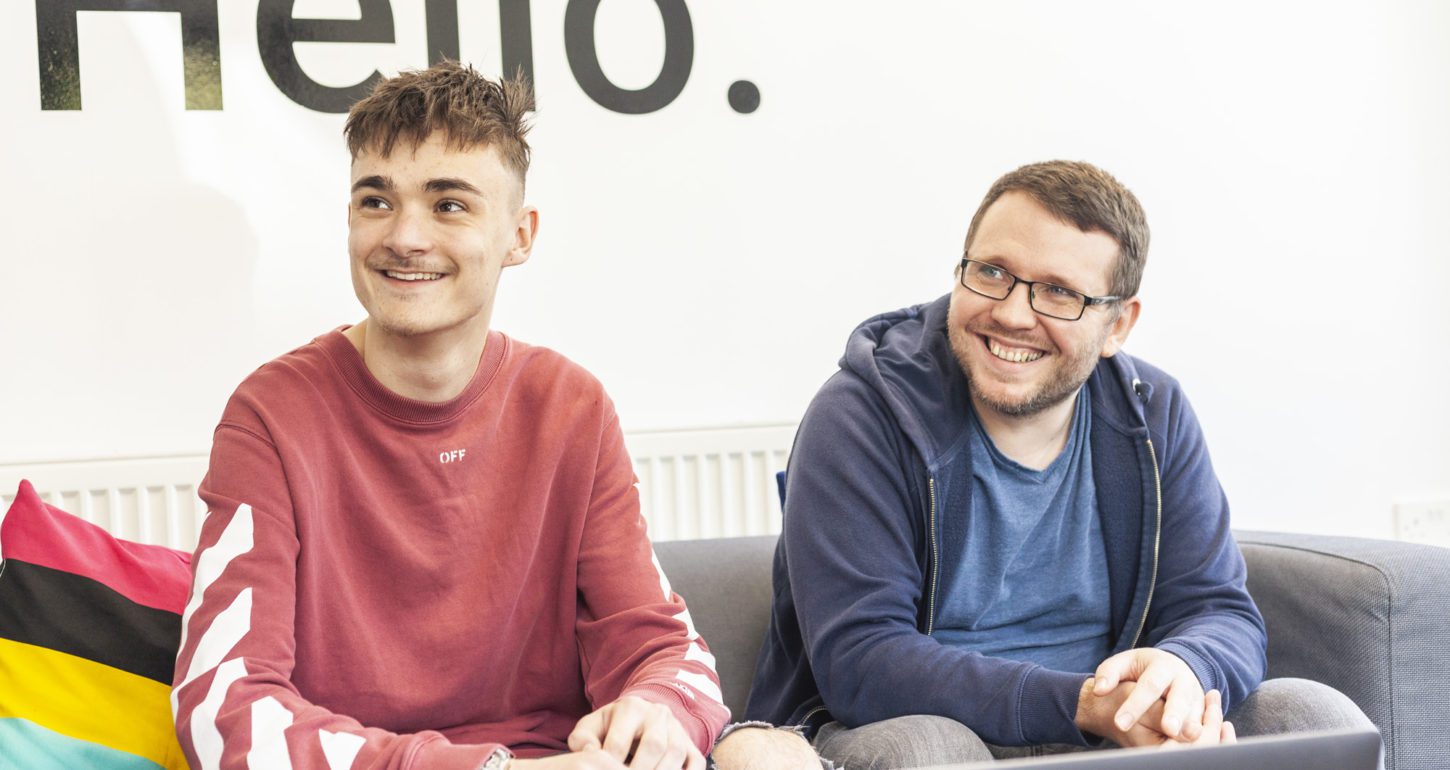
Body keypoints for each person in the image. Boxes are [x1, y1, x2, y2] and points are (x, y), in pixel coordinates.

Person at [171, 62, 814, 770]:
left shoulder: (571, 407)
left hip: (567, 761)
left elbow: (662, 649)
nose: (405, 237)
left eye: (449, 205)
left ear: (520, 236)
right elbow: (220, 706)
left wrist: (657, 712)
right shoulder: (270, 415)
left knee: (770, 756)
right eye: (376, 201)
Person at [746, 160, 1374, 767]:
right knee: (931, 751)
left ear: (1117, 326)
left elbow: (1218, 608)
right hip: (931, 729)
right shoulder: (861, 414)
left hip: (1113, 732)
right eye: (992, 272)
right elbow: (864, 663)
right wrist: (1084, 705)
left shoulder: (1153, 415)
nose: (1014, 314)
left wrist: (1182, 671)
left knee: (1311, 715)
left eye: (1059, 293)